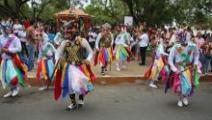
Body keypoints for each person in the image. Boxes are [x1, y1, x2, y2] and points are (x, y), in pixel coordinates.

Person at [53, 21, 95, 111]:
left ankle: (80, 99)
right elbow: (58, 53)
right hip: (68, 67)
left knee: (81, 84)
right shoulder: (64, 42)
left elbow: (91, 52)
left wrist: (88, 59)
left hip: (80, 66)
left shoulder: (82, 41)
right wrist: (57, 61)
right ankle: (73, 103)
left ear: (74, 29)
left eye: (69, 29)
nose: (66, 31)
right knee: (70, 85)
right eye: (65, 29)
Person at [165, 31, 201, 107]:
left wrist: (195, 63)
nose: (183, 44)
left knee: (188, 85)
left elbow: (197, 55)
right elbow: (170, 59)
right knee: (179, 86)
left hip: (188, 68)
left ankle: (185, 97)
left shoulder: (193, 46)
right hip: (179, 68)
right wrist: (175, 69)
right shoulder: (176, 47)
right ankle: (180, 99)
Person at [0, 25, 27, 98]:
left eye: (8, 29)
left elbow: (19, 48)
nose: (6, 30)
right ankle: (11, 90)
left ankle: (15, 88)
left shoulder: (14, 38)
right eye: (5, 29)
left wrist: (8, 50)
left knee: (13, 76)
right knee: (6, 77)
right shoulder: (1, 38)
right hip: (4, 60)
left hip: (12, 59)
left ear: (11, 30)